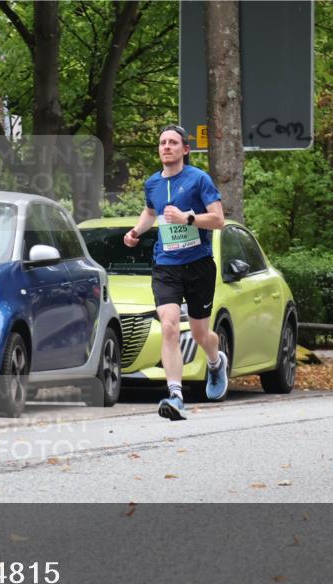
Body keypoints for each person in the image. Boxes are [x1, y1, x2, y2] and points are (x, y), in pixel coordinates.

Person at [123, 124, 227, 421]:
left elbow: (219, 220)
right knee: (168, 326)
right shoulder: (153, 183)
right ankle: (175, 394)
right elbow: (151, 212)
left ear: (185, 149)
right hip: (166, 264)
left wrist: (188, 218)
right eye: (162, 142)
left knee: (198, 333)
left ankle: (215, 361)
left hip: (198, 265)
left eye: (172, 142)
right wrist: (136, 231)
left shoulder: (199, 179)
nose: (166, 147)